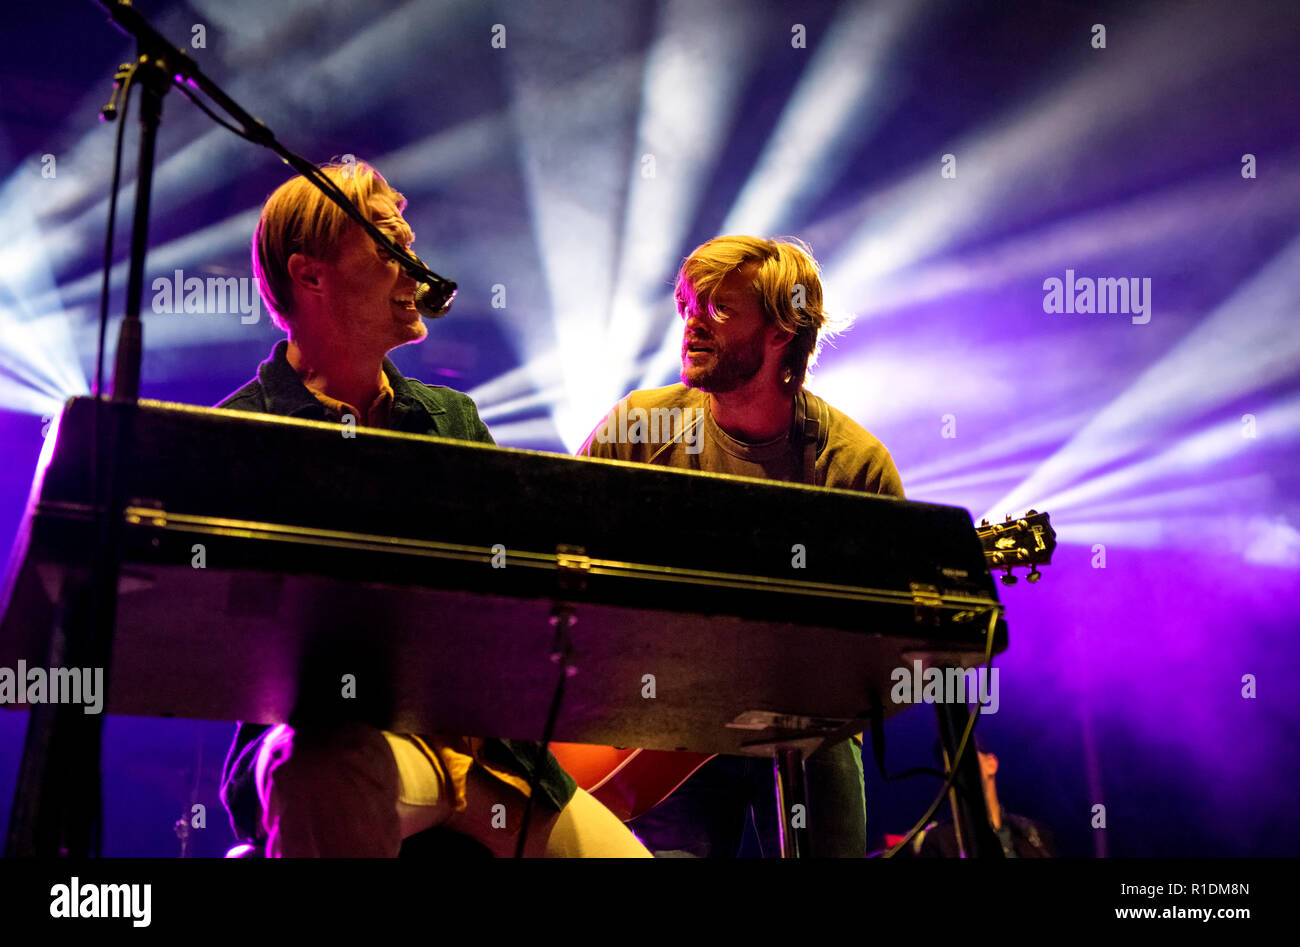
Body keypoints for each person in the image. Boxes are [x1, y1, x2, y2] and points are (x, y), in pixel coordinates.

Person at [217, 159, 649, 858]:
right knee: (321, 763)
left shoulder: (453, 415)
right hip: (354, 741)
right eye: (391, 246)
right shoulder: (240, 433)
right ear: (312, 275)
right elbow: (225, 636)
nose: (416, 267)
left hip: (488, 757)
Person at [579, 235, 905, 856]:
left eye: (719, 309)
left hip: (804, 730)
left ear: (783, 330)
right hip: (661, 723)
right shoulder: (635, 429)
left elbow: (884, 654)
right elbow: (562, 572)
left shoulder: (854, 466)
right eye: (687, 306)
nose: (692, 324)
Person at [907, 738, 1058, 858]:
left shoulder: (1035, 834)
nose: (951, 769)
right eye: (946, 766)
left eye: (961, 757)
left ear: (991, 763)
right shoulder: (938, 842)